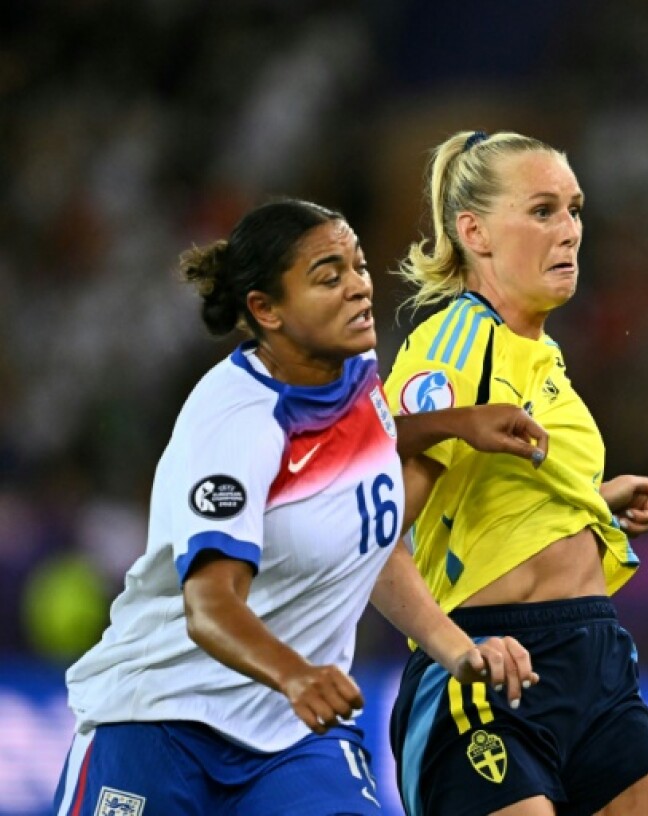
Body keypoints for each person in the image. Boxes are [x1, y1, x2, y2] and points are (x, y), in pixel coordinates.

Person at [52, 198, 543, 816]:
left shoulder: (352, 370)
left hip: (294, 737)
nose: (359, 288)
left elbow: (367, 534)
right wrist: (295, 674)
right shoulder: (236, 427)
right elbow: (209, 606)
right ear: (266, 310)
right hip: (163, 717)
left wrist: (460, 651)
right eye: (328, 277)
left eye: (358, 266)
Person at [385, 131, 648, 815]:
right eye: (541, 211)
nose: (570, 232)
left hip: (596, 661)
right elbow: (371, 534)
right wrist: (454, 650)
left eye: (575, 210)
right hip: (494, 667)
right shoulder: (457, 343)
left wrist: (589, 507)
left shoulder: (542, 355)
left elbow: (490, 497)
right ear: (474, 232)